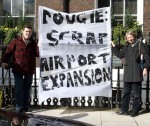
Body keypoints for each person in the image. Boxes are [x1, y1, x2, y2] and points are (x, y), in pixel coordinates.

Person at [1, 25, 39, 113]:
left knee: (27, 88)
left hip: (29, 69)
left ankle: (26, 106)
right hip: (18, 68)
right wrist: (3, 62)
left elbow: (38, 54)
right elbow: (8, 52)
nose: (28, 33)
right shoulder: (16, 41)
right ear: (22, 31)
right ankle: (19, 107)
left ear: (31, 33)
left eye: (29, 32)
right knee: (19, 88)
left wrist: (39, 46)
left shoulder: (33, 43)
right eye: (26, 31)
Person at [111, 31, 150, 117]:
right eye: (128, 38)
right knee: (125, 93)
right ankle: (124, 110)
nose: (129, 39)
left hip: (137, 72)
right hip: (128, 73)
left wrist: (146, 68)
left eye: (131, 37)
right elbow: (121, 55)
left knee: (136, 94)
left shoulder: (140, 45)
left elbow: (147, 58)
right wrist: (114, 47)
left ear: (134, 36)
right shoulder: (126, 46)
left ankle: (135, 110)